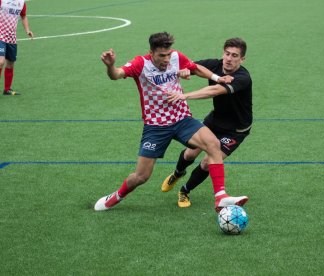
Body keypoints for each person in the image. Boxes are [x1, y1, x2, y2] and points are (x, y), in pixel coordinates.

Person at [94, 32, 248, 212]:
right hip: (156, 126)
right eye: (161, 56)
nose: (167, 59)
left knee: (213, 144)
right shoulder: (140, 63)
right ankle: (116, 196)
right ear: (151, 53)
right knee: (141, 176)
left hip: (182, 119)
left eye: (168, 54)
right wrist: (111, 66)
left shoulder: (176, 56)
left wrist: (217, 78)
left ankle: (220, 196)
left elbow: (195, 68)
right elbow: (117, 74)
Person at [161, 37, 252, 208]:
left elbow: (215, 90)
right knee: (189, 154)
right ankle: (177, 173)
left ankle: (184, 191)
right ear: (222, 53)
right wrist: (185, 70)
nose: (229, 59)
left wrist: (184, 95)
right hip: (215, 120)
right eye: (227, 54)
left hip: (235, 130)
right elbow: (189, 65)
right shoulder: (214, 65)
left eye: (234, 55)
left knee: (207, 163)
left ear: (242, 59)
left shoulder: (242, 77)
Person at [0, 0, 34, 95]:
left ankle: (7, 89)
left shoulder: (21, 3)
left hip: (11, 38)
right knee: (1, 61)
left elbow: (23, 16)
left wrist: (27, 30)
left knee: (10, 63)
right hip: (0, 36)